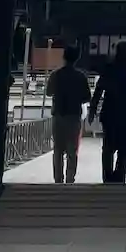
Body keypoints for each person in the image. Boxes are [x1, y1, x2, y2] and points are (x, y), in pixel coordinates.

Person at [90, 41, 126, 184]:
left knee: (108, 148)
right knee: (124, 148)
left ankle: (107, 177)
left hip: (110, 113)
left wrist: (93, 109)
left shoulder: (109, 68)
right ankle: (119, 176)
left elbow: (98, 91)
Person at [45, 43, 92, 185]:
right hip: (74, 116)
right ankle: (70, 179)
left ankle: (58, 179)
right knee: (72, 151)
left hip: (58, 115)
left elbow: (48, 92)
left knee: (58, 150)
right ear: (77, 58)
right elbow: (87, 97)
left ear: (64, 57)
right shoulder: (81, 77)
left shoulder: (55, 74)